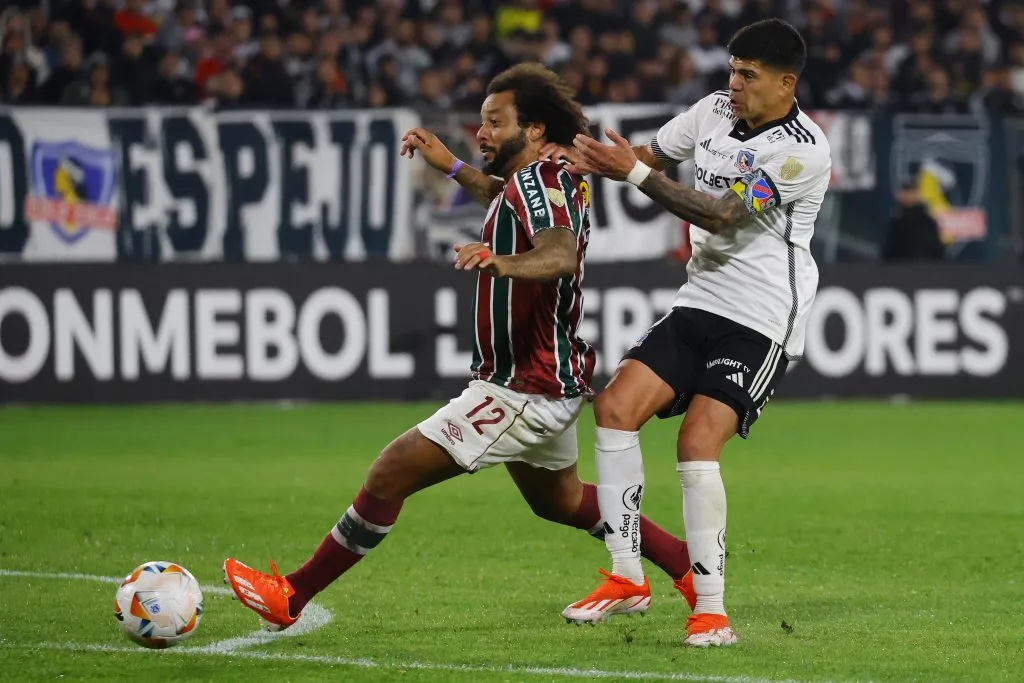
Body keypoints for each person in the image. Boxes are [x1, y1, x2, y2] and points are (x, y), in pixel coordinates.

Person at [222, 63, 694, 631]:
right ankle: (687, 569)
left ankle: (290, 595)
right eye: (482, 122)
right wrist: (451, 166)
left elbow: (560, 253)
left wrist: (502, 262)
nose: (483, 132)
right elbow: (503, 196)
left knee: (390, 472)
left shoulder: (543, 182)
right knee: (560, 502)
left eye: (495, 122)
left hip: (522, 386)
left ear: (537, 129)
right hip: (546, 379)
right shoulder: (532, 182)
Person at [548, 19, 832, 647]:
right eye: (732, 69)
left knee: (698, 442)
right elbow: (647, 156)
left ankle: (711, 610)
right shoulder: (710, 112)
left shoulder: (803, 149)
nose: (734, 84)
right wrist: (588, 160)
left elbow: (724, 215)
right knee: (616, 408)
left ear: (787, 83)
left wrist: (634, 176)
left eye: (748, 75)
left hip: (762, 316)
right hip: (702, 298)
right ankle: (627, 577)